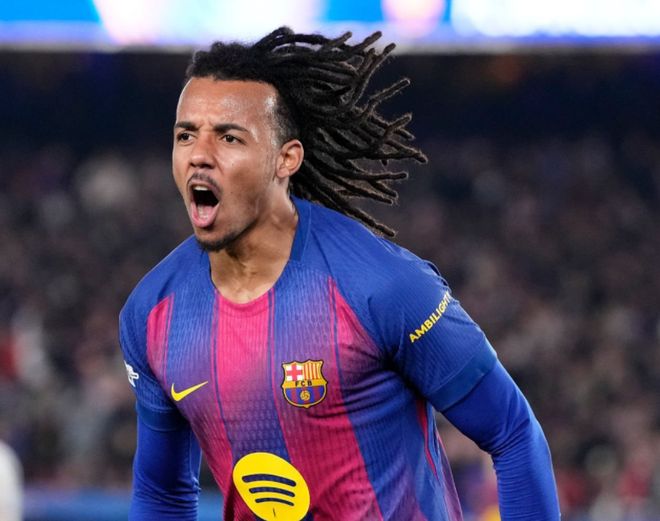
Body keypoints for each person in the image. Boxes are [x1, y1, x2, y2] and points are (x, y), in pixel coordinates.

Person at [119, 27, 561, 520]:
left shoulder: (382, 286)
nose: (199, 154)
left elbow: (513, 434)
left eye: (228, 137)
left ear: (285, 159)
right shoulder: (152, 313)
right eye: (185, 135)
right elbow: (162, 493)